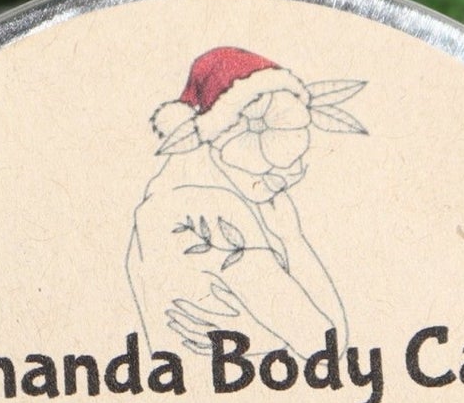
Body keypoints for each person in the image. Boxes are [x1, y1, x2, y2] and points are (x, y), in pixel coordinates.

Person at [127, 47, 366, 361]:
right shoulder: (207, 210)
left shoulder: (160, 205)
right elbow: (325, 344)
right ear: (219, 134)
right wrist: (293, 241)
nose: (290, 170)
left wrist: (255, 338)